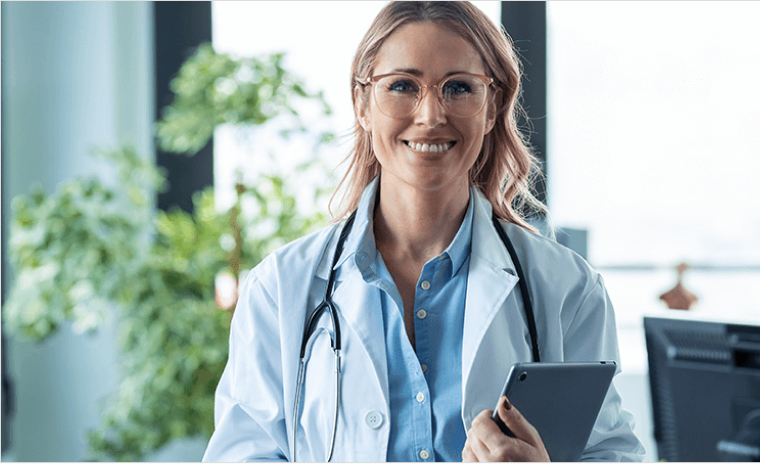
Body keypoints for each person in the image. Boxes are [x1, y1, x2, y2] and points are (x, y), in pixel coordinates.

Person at [203, 1, 645, 461]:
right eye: (402, 86)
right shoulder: (281, 289)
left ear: (492, 107)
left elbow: (612, 453)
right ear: (362, 104)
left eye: (458, 87)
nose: (431, 114)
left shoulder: (566, 288)